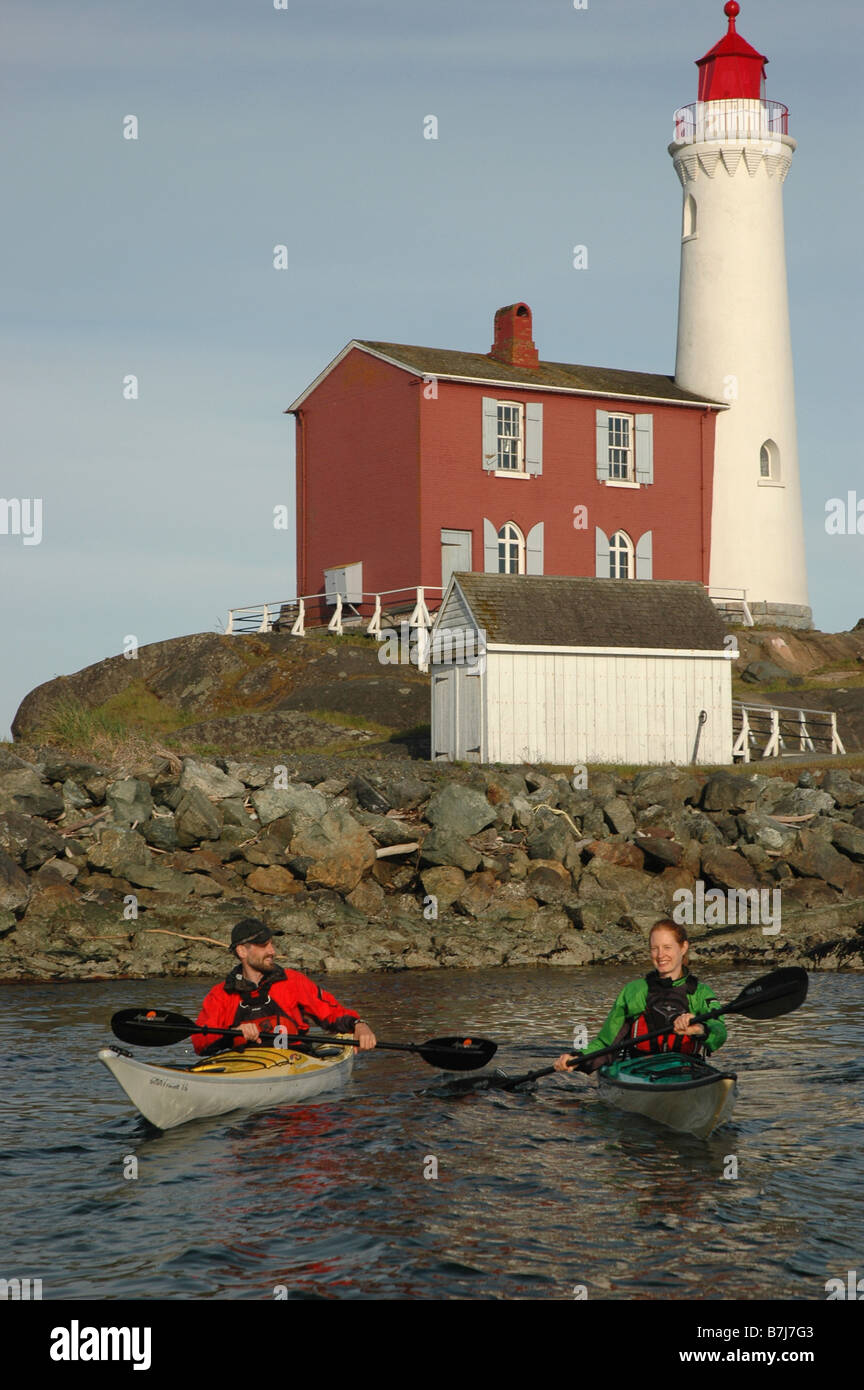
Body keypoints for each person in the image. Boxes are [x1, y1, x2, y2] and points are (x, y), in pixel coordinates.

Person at [554, 919, 726, 1075]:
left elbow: (719, 1032)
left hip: (687, 1070)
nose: (660, 955)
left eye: (667, 947)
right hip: (639, 1071)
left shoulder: (701, 992)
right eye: (654, 948)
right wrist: (577, 1058)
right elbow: (607, 1043)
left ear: (683, 947)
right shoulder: (634, 991)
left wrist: (699, 1029)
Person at [193, 918, 377, 1056]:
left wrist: (358, 1024)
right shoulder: (221, 994)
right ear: (242, 951)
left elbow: (330, 1013)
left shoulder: (292, 981)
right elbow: (200, 1043)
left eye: (272, 944)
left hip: (295, 1061)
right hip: (246, 1066)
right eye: (264, 946)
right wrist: (231, 1033)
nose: (272, 951)